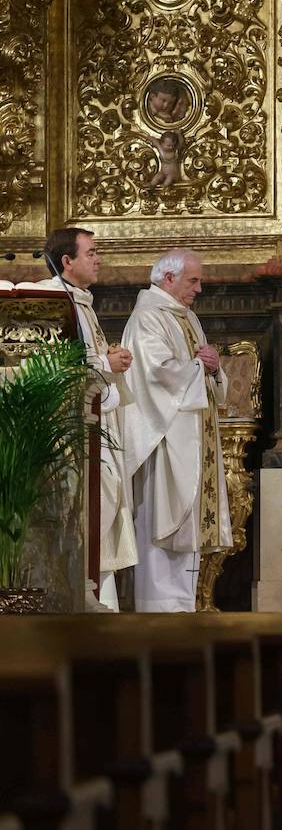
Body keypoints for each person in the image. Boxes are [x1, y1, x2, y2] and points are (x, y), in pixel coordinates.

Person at [121, 250, 231, 612]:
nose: (199, 288)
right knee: (162, 522)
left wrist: (213, 369)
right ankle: (158, 610)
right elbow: (156, 374)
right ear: (168, 279)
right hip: (165, 441)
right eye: (193, 280)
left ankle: (183, 606)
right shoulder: (148, 318)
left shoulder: (188, 318)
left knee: (188, 525)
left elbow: (199, 369)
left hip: (193, 439)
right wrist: (200, 367)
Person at [36, 228, 137, 611]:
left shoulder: (82, 302)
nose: (98, 259)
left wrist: (108, 361)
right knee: (85, 512)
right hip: (70, 431)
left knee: (102, 513)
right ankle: (81, 600)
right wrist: (103, 363)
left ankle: (99, 602)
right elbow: (47, 367)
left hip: (94, 423)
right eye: (91, 253)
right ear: (67, 261)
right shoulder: (51, 299)